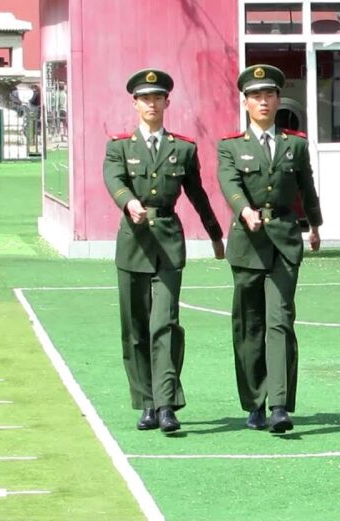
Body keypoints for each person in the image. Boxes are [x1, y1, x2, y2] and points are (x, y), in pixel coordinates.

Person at [102, 69, 225, 433]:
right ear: (135, 103)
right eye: (145, 98)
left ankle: (168, 403)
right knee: (136, 328)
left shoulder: (183, 148)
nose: (152, 104)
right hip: (133, 242)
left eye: (158, 98)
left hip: (169, 243)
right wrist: (128, 203)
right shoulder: (119, 146)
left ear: (167, 103)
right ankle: (147, 403)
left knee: (165, 324)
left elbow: (197, 193)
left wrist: (216, 234)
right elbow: (114, 179)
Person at [217, 64, 323, 434]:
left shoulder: (295, 143)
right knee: (250, 326)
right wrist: (243, 209)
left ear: (279, 99)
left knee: (280, 321)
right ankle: (254, 402)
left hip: (283, 238)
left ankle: (279, 404)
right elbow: (228, 183)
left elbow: (306, 187)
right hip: (247, 242)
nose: (263, 101)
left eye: (269, 94)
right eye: (255, 96)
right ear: (245, 102)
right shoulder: (231, 146)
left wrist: (315, 224)